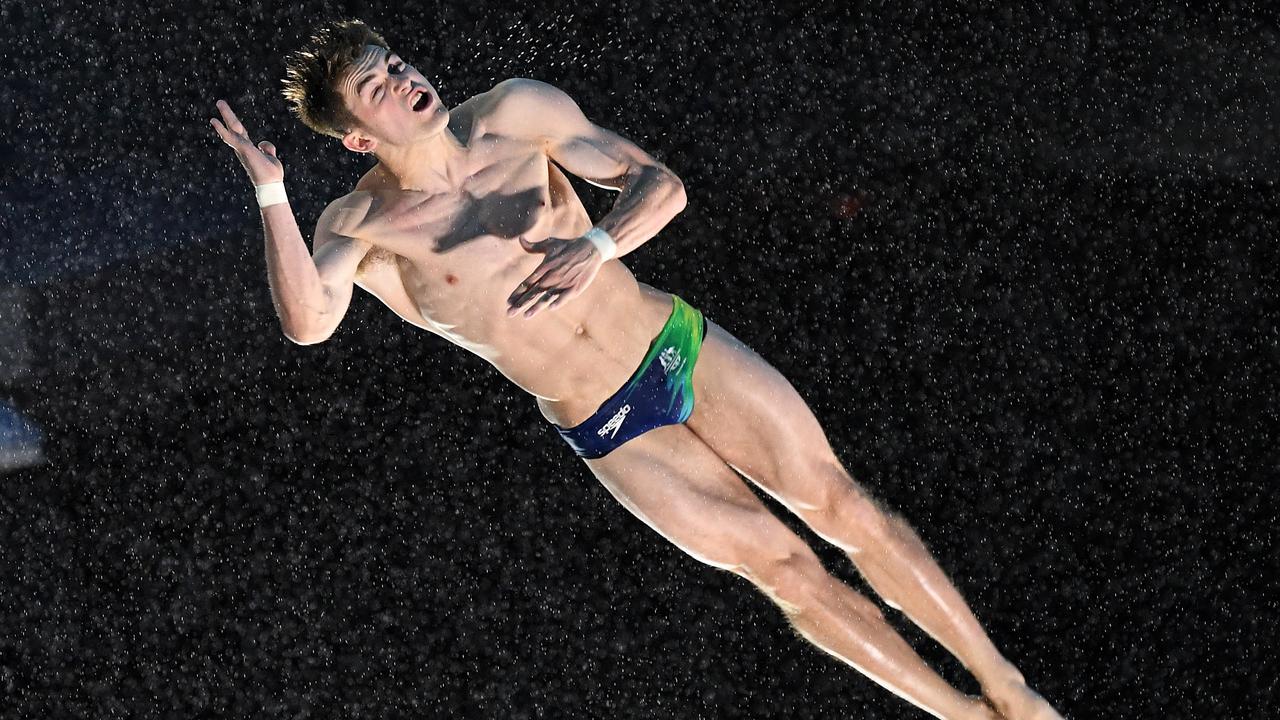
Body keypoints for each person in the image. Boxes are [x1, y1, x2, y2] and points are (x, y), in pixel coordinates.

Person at [210, 19, 1065, 720]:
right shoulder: (363, 227)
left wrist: (598, 243)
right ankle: (958, 717)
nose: (403, 79)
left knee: (841, 503)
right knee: (786, 573)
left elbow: (660, 183)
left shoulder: (514, 113)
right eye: (377, 88)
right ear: (359, 134)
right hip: (612, 428)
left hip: (672, 343)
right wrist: (271, 195)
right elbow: (309, 323)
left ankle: (1010, 691)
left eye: (395, 62)